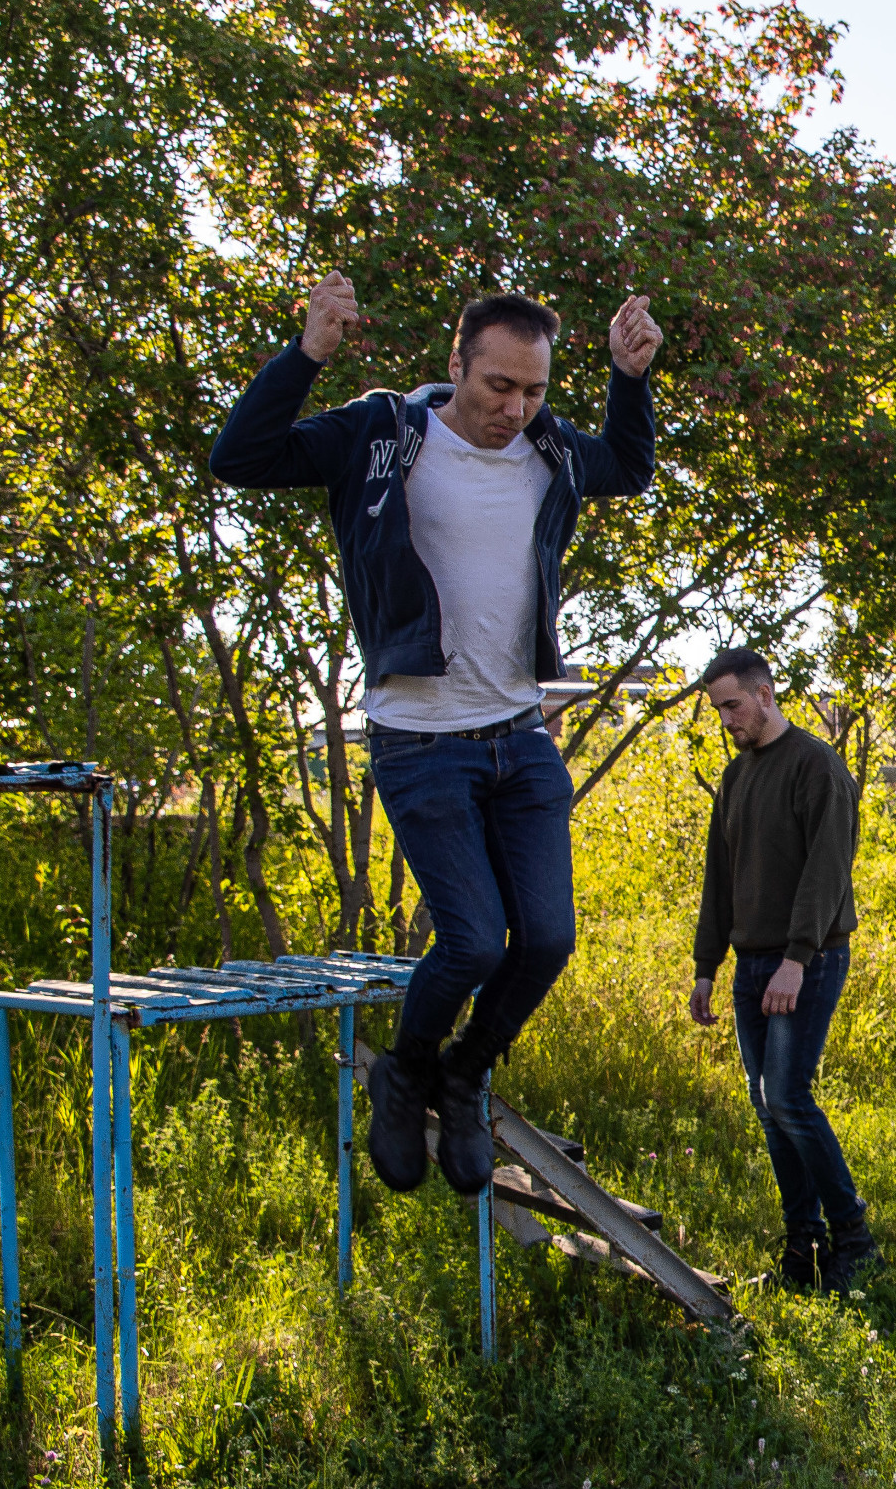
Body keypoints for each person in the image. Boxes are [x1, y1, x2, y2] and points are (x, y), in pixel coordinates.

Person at [210, 275, 661, 1195]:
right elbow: (241, 458)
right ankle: (405, 1072)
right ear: (456, 364)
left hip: (517, 736)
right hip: (419, 740)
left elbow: (627, 467)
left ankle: (461, 1076)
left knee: (544, 940)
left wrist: (627, 379)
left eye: (533, 390)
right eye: (498, 386)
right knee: (472, 944)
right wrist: (308, 356)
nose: (515, 408)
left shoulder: (550, 450)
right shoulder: (380, 435)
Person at [687, 649, 873, 1291]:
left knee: (788, 1096)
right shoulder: (737, 777)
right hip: (749, 959)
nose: (726, 720)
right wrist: (706, 965)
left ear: (765, 694)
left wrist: (796, 960)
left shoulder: (817, 764)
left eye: (732, 705)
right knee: (767, 1106)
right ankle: (804, 1247)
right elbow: (720, 877)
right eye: (718, 709)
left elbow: (828, 871)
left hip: (809, 957)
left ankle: (854, 1236)